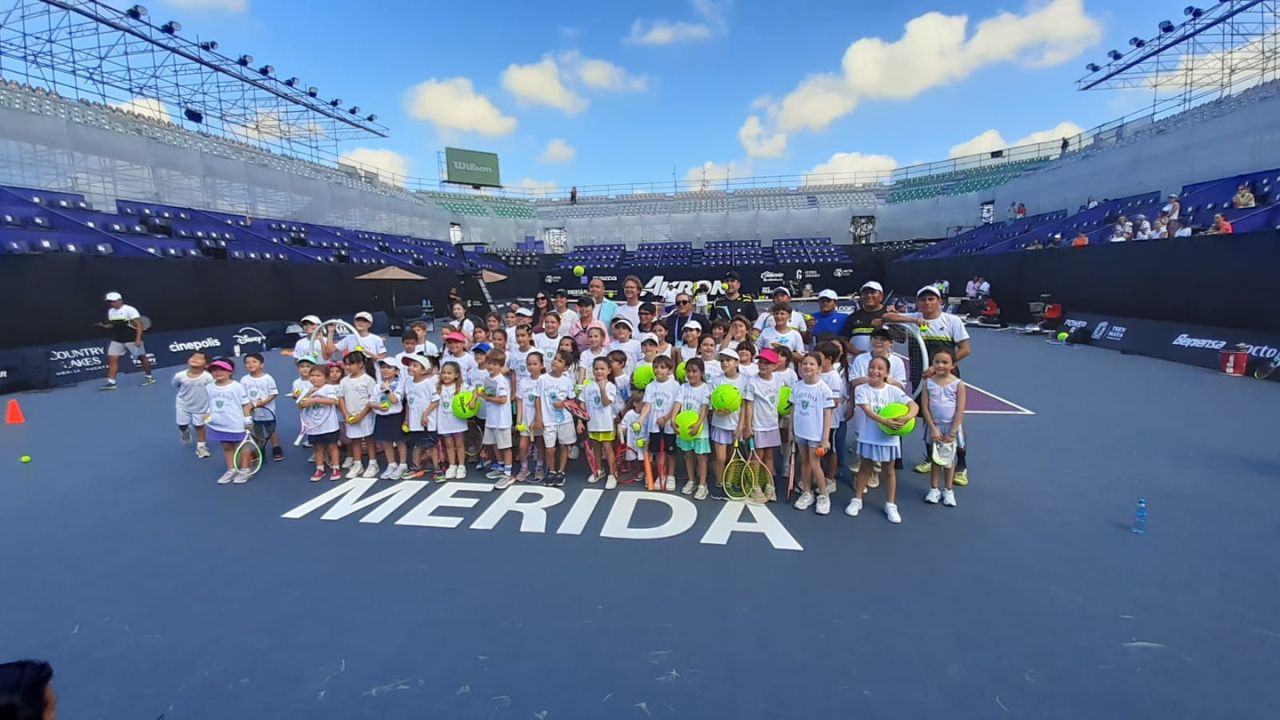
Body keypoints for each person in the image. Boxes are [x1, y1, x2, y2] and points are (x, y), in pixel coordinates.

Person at [882, 285, 972, 484]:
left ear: (940, 302)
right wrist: (913, 319)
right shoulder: (915, 318)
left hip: (948, 380)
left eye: (931, 299)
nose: (927, 303)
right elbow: (887, 318)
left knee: (951, 420)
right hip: (922, 379)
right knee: (928, 418)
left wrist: (940, 367)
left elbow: (965, 349)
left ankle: (961, 465)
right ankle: (932, 458)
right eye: (923, 300)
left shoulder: (952, 321)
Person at [848, 356, 918, 524]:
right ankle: (857, 500)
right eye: (872, 367)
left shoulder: (894, 391)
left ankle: (891, 504)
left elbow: (914, 406)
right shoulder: (861, 389)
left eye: (880, 368)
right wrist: (884, 421)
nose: (875, 371)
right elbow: (867, 411)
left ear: (887, 373)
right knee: (864, 469)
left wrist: (907, 417)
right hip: (869, 436)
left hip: (889, 439)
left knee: (889, 471)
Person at [789, 353, 835, 515]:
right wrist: (791, 431)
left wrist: (825, 438)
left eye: (812, 364)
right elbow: (794, 409)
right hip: (801, 432)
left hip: (816, 435)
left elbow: (827, 414)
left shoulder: (824, 389)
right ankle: (807, 492)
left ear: (819, 368)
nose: (807, 366)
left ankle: (823, 495)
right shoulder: (797, 386)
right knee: (805, 463)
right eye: (805, 364)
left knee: (815, 465)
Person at [921, 349, 965, 507]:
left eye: (945, 362)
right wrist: (933, 428)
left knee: (948, 460)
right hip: (935, 427)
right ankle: (934, 489)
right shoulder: (928, 383)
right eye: (937, 362)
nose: (940, 365)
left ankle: (948, 490)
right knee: (935, 459)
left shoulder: (958, 385)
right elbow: (925, 408)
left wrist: (953, 432)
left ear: (953, 365)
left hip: (951, 427)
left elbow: (960, 409)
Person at [743, 347, 784, 501]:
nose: (763, 365)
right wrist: (748, 426)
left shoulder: (778, 380)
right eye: (760, 362)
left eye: (767, 363)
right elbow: (748, 405)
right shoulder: (752, 382)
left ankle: (769, 485)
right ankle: (754, 486)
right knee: (756, 457)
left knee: (769, 456)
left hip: (772, 425)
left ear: (775, 366)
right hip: (757, 426)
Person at [205, 358, 254, 485]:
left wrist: (248, 421)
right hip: (219, 424)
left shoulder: (237, 387)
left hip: (236, 424)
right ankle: (231, 469)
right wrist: (207, 415)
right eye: (214, 370)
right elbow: (210, 404)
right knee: (227, 447)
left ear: (229, 371)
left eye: (222, 369)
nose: (218, 372)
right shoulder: (209, 387)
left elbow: (246, 405)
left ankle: (245, 470)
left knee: (243, 447)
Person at [535, 350, 578, 487]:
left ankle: (561, 471)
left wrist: (563, 403)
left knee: (564, 446)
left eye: (560, 361)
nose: (555, 362)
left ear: (565, 367)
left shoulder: (567, 381)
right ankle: (551, 470)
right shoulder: (542, 379)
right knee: (550, 448)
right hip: (548, 420)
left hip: (564, 419)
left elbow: (571, 401)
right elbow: (538, 398)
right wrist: (538, 417)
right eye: (555, 359)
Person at [638, 355, 680, 491]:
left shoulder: (675, 385)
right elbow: (647, 405)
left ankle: (671, 476)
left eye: (662, 367)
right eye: (656, 367)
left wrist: (666, 418)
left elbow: (676, 405)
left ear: (670, 370)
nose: (658, 370)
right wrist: (640, 419)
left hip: (669, 425)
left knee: (670, 452)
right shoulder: (650, 386)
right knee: (656, 452)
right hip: (654, 425)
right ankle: (661, 475)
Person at [97, 290, 154, 390]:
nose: (112, 303)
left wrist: (138, 339)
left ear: (120, 300)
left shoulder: (130, 310)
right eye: (110, 302)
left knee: (142, 358)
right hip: (117, 340)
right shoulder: (111, 311)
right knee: (112, 358)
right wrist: (105, 326)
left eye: (114, 301)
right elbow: (114, 325)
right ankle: (111, 382)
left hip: (131, 339)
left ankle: (149, 377)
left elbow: (139, 325)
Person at [297, 362, 343, 481]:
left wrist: (315, 400)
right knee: (318, 448)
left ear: (326, 378)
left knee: (332, 446)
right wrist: (309, 394)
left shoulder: (329, 388)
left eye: (318, 376)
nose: (314, 378)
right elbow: (299, 405)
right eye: (312, 375)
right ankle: (320, 469)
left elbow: (333, 401)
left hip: (329, 425)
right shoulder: (307, 389)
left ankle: (336, 467)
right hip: (313, 426)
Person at [674, 357, 712, 499]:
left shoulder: (706, 388)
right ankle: (691, 481)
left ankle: (703, 485)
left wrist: (699, 424)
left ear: (701, 373)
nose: (691, 374)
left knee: (701, 457)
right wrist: (673, 419)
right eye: (688, 371)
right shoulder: (683, 387)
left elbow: (704, 407)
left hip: (700, 431)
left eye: (695, 371)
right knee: (688, 456)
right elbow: (677, 403)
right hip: (685, 430)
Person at [338, 350, 379, 479]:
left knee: (369, 439)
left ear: (361, 364)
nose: (348, 367)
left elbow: (371, 400)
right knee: (354, 440)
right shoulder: (344, 381)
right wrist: (346, 414)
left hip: (365, 416)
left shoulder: (368, 380)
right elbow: (341, 398)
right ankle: (357, 464)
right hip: (350, 416)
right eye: (346, 364)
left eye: (351, 364)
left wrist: (361, 416)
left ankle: (373, 463)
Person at [399, 353, 439, 481]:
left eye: (414, 366)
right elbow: (409, 404)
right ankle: (416, 467)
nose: (410, 368)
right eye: (410, 365)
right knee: (417, 445)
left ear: (424, 370)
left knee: (431, 446)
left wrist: (425, 415)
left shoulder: (428, 383)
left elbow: (435, 401)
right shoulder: (408, 383)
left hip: (428, 422)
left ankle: (437, 469)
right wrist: (407, 420)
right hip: (414, 423)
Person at [477, 349, 514, 487]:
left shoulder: (501, 381)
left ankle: (508, 473)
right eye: (489, 363)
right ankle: (500, 466)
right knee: (494, 444)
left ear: (500, 366)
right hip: (491, 419)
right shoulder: (488, 379)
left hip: (502, 421)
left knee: (505, 446)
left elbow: (503, 400)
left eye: (495, 364)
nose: (491, 367)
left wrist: (485, 397)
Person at [581, 356, 620, 489]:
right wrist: (580, 421)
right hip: (592, 424)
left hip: (606, 424)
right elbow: (583, 405)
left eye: (602, 369)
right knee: (596, 448)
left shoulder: (610, 386)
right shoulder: (588, 387)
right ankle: (598, 470)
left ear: (609, 370)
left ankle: (612, 474)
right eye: (596, 369)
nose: (599, 371)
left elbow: (605, 402)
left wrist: (602, 389)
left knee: (608, 449)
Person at [241, 353, 283, 462]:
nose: (250, 364)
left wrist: (263, 402)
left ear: (262, 364)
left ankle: (276, 448)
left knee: (271, 431)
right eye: (247, 363)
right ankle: (261, 450)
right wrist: (249, 407)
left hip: (267, 412)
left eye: (254, 362)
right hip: (253, 412)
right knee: (257, 431)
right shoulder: (244, 379)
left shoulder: (268, 378)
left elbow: (273, 393)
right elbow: (243, 395)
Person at [369, 357, 406, 479]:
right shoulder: (377, 386)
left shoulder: (400, 384)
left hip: (396, 416)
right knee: (386, 442)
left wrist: (386, 390)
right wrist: (378, 406)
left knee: (400, 441)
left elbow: (395, 400)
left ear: (396, 371)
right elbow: (371, 402)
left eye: (389, 368)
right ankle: (391, 464)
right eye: (383, 367)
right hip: (382, 417)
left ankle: (403, 464)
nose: (385, 370)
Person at [173, 350, 213, 459]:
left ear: (206, 365)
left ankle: (201, 447)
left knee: (199, 426)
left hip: (202, 407)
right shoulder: (179, 376)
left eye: (200, 358)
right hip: (183, 405)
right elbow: (176, 384)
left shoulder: (208, 377)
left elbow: (213, 391)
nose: (195, 359)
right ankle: (185, 431)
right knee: (182, 425)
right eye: (193, 357)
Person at [435, 361, 471, 480]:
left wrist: (472, 402)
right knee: (449, 444)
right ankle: (452, 465)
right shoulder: (437, 386)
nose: (446, 375)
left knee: (459, 444)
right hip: (444, 422)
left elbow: (476, 391)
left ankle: (461, 466)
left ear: (456, 375)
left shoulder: (462, 386)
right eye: (444, 373)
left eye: (449, 373)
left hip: (457, 421)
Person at [514, 350, 546, 483]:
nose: (531, 367)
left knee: (539, 444)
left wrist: (539, 420)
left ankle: (539, 466)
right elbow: (520, 401)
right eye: (529, 364)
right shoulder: (523, 381)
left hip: (540, 420)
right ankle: (524, 467)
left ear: (542, 365)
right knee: (522, 446)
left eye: (535, 364)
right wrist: (519, 419)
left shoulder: (544, 380)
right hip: (526, 421)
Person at [840, 281, 890, 355]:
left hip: (885, 363)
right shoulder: (853, 317)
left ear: (881, 296)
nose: (869, 295)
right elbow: (843, 339)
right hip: (860, 363)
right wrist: (856, 352)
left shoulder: (890, 315)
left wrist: (883, 325)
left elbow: (901, 338)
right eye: (865, 293)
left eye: (873, 292)